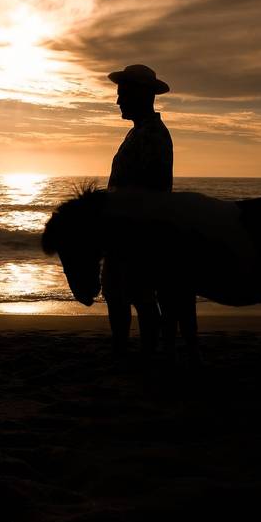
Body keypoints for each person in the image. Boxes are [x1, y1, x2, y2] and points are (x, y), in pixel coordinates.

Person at [101, 64, 177, 354]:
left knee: (137, 296)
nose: (118, 101)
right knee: (121, 294)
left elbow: (147, 191)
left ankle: (144, 352)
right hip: (129, 231)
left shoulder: (151, 135)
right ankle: (132, 350)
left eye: (123, 94)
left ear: (141, 95)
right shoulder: (141, 133)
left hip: (137, 234)